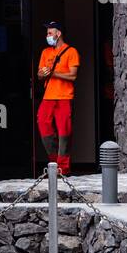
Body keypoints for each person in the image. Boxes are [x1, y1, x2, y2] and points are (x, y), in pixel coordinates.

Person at [36, 20, 79, 176]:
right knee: (42, 123)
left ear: (58, 33)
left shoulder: (71, 51)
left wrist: (54, 73)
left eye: (50, 33)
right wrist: (43, 74)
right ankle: (54, 162)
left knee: (64, 131)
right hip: (48, 96)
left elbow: (73, 76)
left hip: (64, 97)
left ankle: (64, 168)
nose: (47, 36)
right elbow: (39, 74)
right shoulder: (45, 52)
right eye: (47, 33)